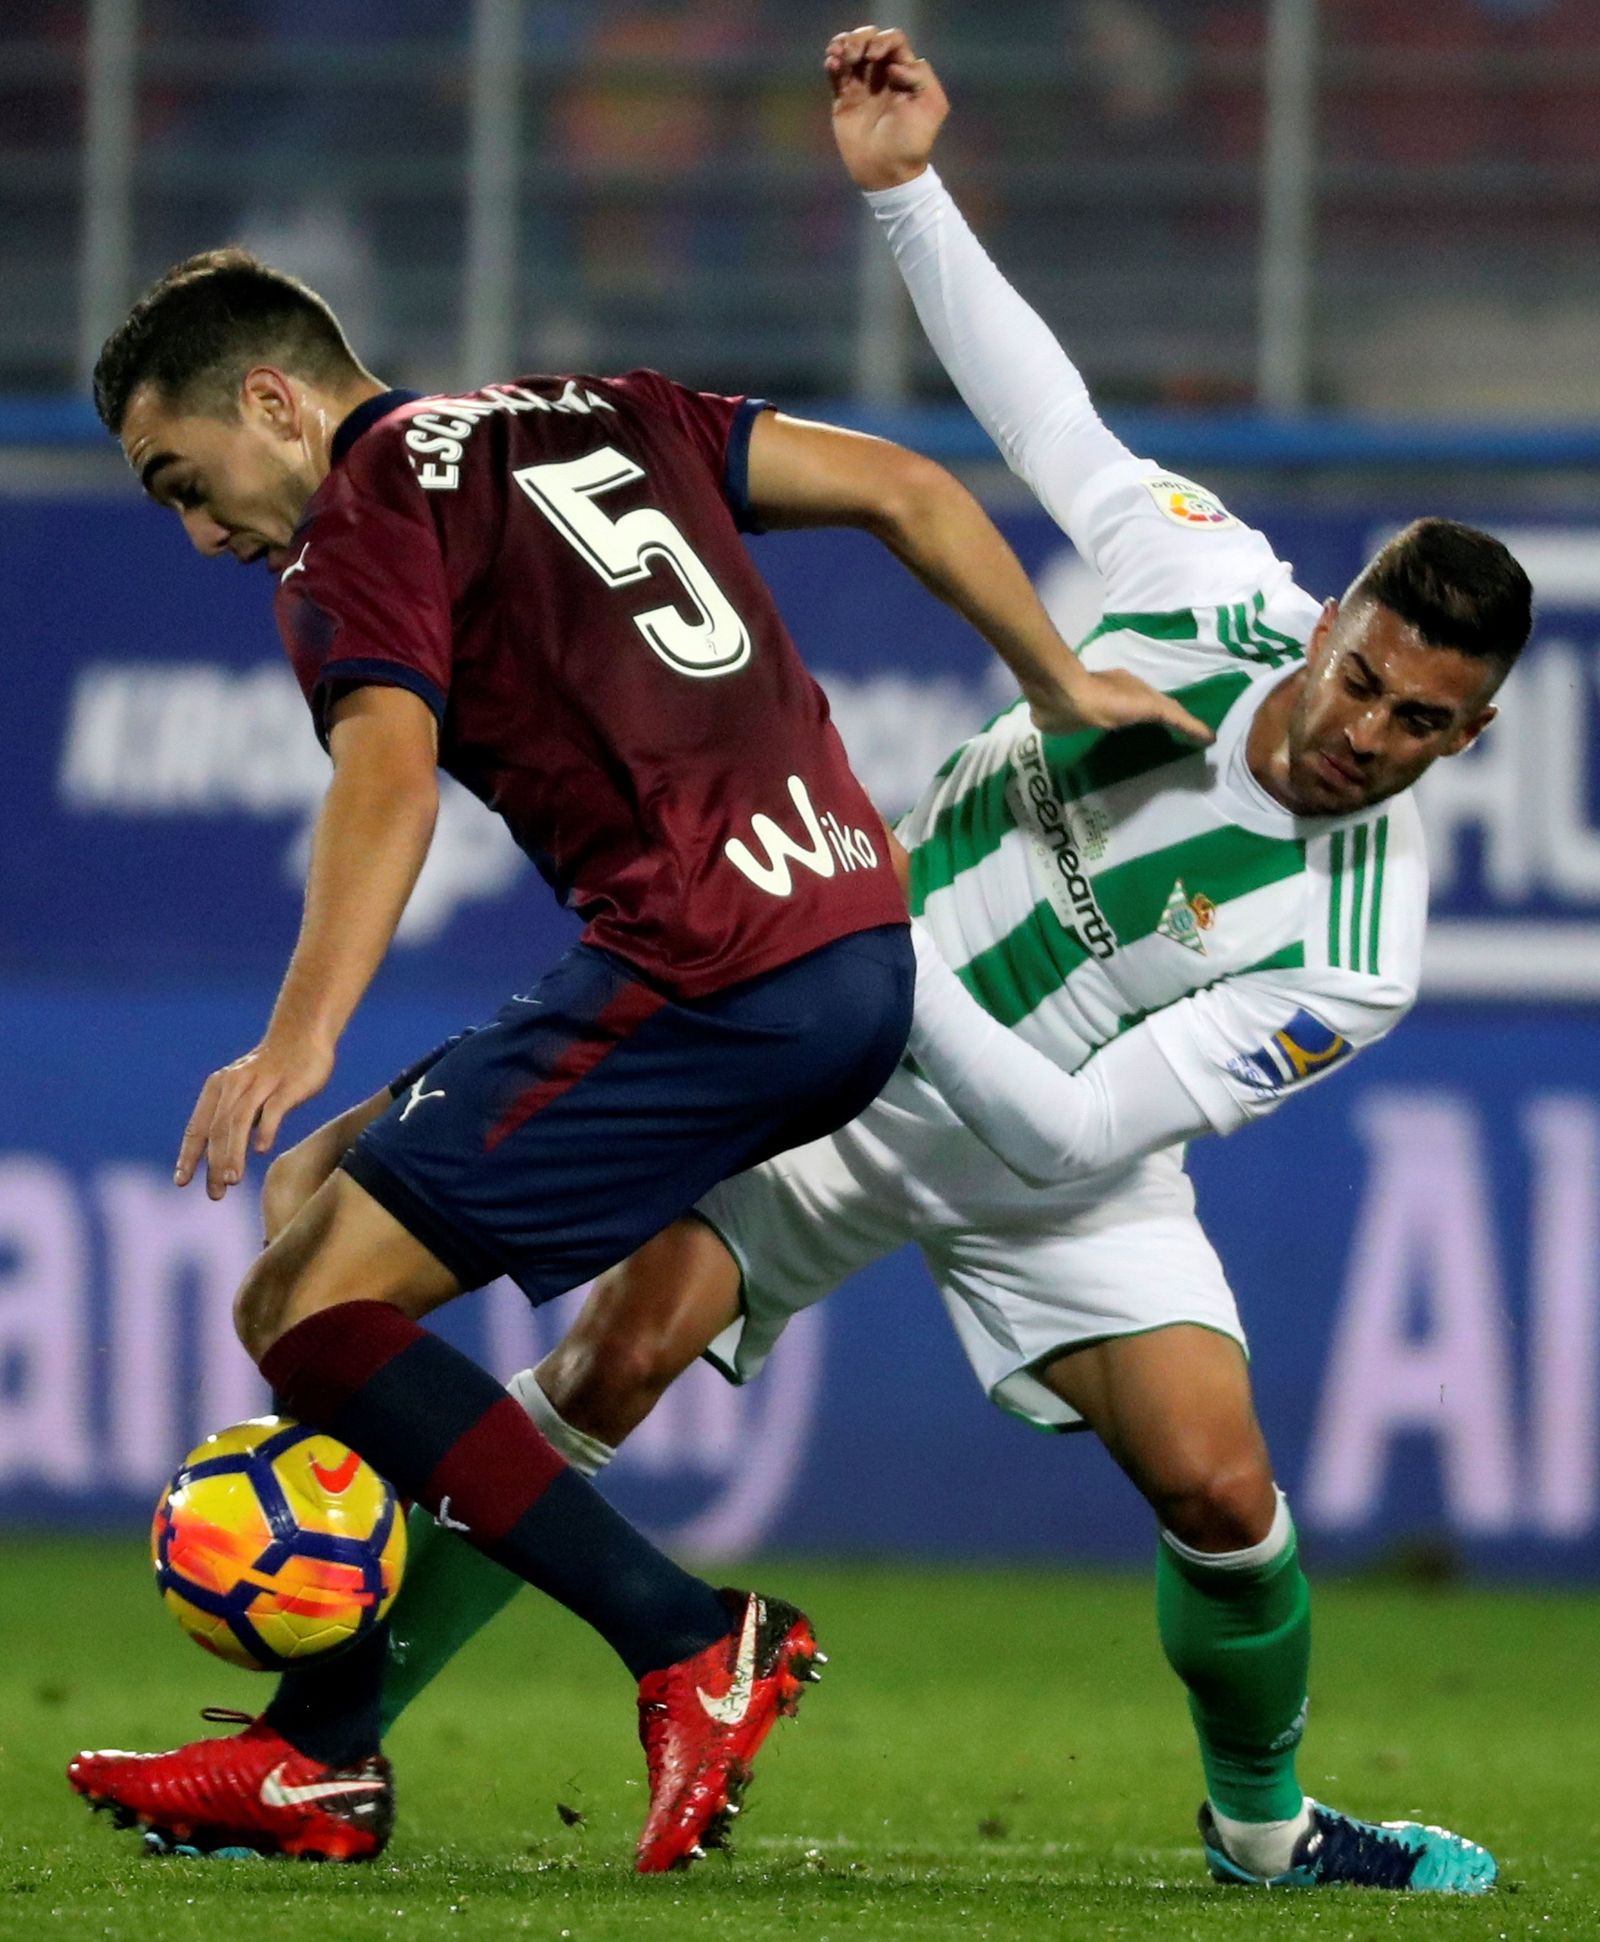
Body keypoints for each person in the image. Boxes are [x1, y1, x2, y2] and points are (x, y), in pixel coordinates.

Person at [67, 244, 1206, 1870]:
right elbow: (904, 487)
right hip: (852, 951)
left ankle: (688, 1641)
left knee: (301, 1307)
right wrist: (1060, 678)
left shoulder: (358, 518)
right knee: (319, 1206)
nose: (196, 530)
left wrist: (295, 1034)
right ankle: (318, 1749)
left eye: (184, 480)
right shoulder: (602, 406)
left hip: (709, 970)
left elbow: (382, 775)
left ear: (273, 400)